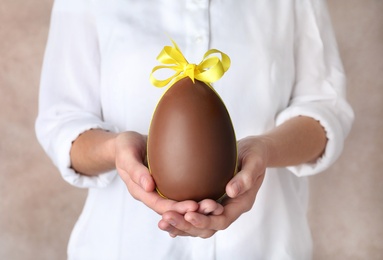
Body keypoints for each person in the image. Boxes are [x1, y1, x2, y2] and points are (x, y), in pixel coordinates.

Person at [35, 0, 354, 259]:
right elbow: (63, 121)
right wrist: (116, 149)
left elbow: (325, 109)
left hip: (264, 246)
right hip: (123, 248)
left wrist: (265, 149)